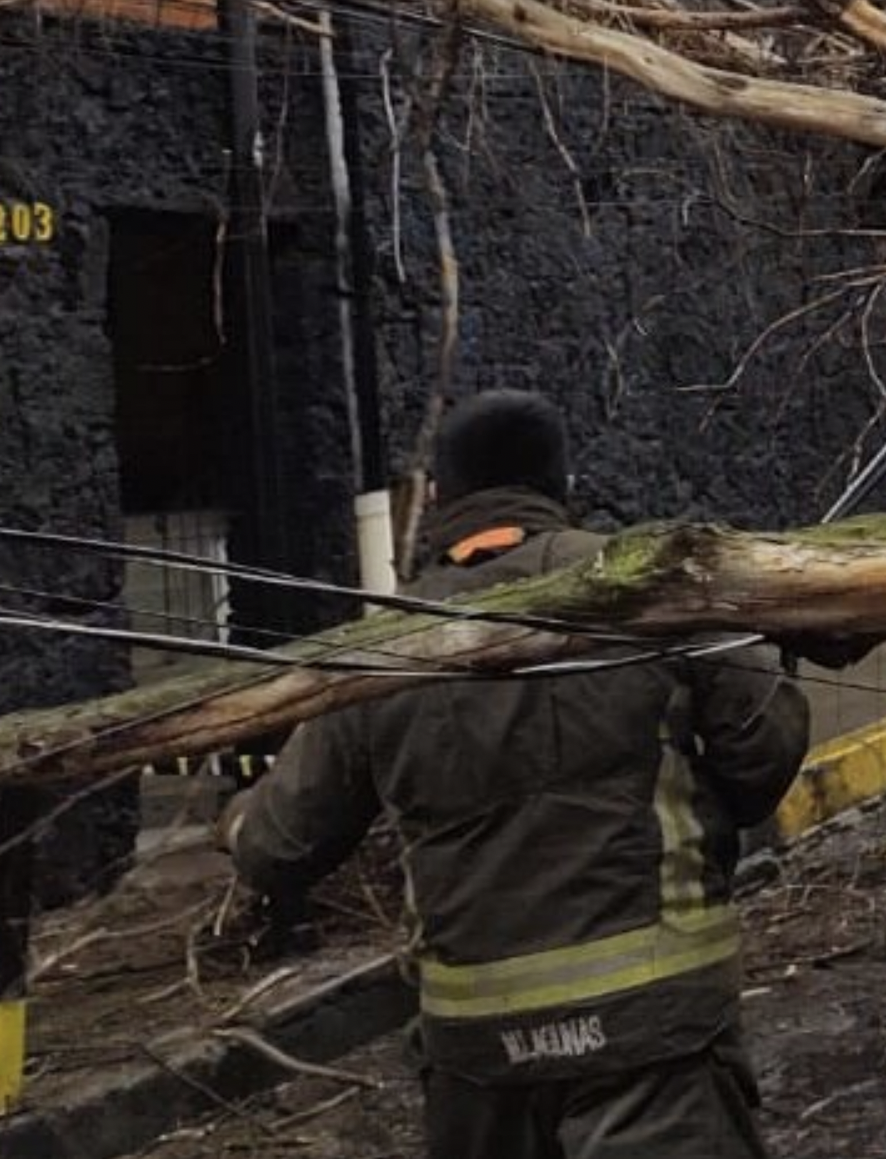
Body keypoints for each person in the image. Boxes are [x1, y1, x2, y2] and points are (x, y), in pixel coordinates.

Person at [222, 390, 810, 1159]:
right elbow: (765, 751)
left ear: (439, 498)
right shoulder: (647, 585)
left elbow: (279, 846)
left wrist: (233, 816)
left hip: (480, 1059)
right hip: (652, 1037)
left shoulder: (384, 646)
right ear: (561, 486)